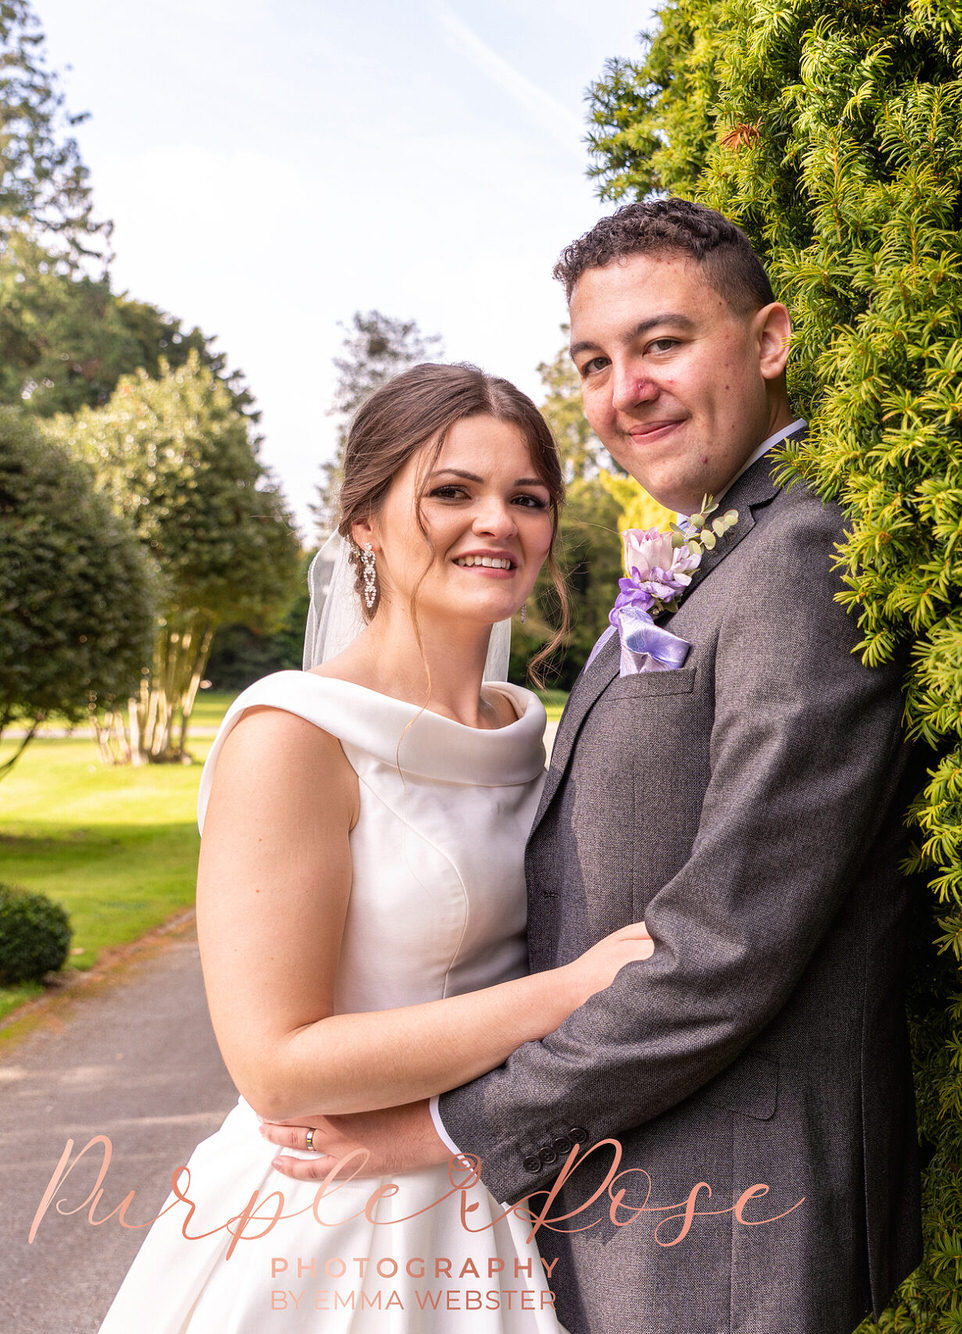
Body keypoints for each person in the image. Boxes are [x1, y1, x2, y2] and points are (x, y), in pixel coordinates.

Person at [258, 199, 925, 1333]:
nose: (626, 390)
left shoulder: (799, 556)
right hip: (617, 1189)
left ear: (768, 342)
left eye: (661, 343)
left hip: (723, 1215)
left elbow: (725, 945)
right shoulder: (712, 549)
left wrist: (448, 1130)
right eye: (594, 362)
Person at [96, 364, 653, 1332]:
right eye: (451, 491)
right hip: (337, 1219)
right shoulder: (294, 736)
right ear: (362, 520)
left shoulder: (540, 737)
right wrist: (568, 992)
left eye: (526, 497)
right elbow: (275, 1063)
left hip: (507, 1189)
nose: (497, 521)